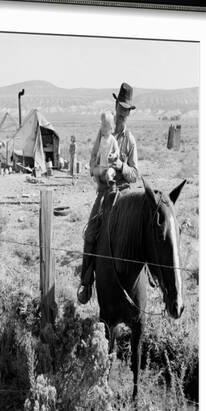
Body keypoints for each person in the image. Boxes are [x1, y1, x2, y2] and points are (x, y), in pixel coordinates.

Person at [77, 82, 139, 305]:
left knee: (144, 234)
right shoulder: (103, 133)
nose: (122, 113)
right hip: (105, 193)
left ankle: (153, 282)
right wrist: (96, 170)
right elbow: (92, 160)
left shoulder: (129, 140)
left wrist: (121, 165)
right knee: (91, 231)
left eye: (126, 110)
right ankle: (86, 282)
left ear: (129, 112)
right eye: (120, 108)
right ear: (115, 105)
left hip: (123, 195)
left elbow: (135, 175)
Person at [90, 111, 119, 187]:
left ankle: (110, 187)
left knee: (109, 175)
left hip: (109, 166)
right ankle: (99, 186)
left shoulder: (112, 139)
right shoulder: (102, 139)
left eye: (105, 126)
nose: (103, 128)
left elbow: (117, 151)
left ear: (111, 128)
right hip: (102, 165)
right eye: (102, 126)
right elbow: (99, 151)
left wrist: (114, 155)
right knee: (94, 172)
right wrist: (96, 161)